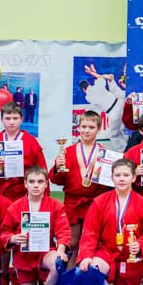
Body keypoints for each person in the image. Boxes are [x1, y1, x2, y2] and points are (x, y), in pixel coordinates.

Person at [78, 159, 143, 285]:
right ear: (112, 178)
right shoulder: (99, 202)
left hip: (129, 260)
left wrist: (140, 245)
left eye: (126, 175)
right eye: (117, 175)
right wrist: (86, 256)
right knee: (93, 268)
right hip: (106, 253)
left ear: (133, 177)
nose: (121, 178)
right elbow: (90, 233)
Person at [0, 167, 70, 285]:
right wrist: (13, 238)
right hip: (23, 258)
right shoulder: (14, 207)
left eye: (40, 182)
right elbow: (4, 232)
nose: (36, 185)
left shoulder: (56, 206)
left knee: (58, 263)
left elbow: (63, 232)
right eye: (31, 181)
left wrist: (61, 250)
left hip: (45, 253)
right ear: (25, 184)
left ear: (46, 184)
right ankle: (34, 282)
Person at [48, 111, 108, 268]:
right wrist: (57, 167)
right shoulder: (66, 152)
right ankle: (68, 277)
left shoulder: (105, 154)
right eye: (84, 126)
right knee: (72, 242)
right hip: (73, 203)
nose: (87, 130)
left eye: (91, 127)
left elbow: (110, 184)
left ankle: (88, 277)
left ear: (99, 129)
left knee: (92, 242)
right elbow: (56, 180)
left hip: (95, 204)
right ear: (78, 128)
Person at [0, 102, 47, 200]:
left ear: (21, 119)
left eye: (15, 118)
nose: (11, 122)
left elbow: (42, 170)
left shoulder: (31, 142)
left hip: (24, 194)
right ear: (1, 120)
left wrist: (45, 198)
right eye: (7, 118)